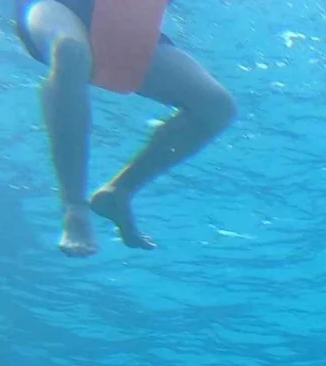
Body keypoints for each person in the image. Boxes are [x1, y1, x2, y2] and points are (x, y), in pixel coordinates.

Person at [14, 0, 236, 257]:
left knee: (217, 107)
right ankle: (75, 207)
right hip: (57, 6)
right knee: (70, 51)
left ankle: (119, 191)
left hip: (124, 21)